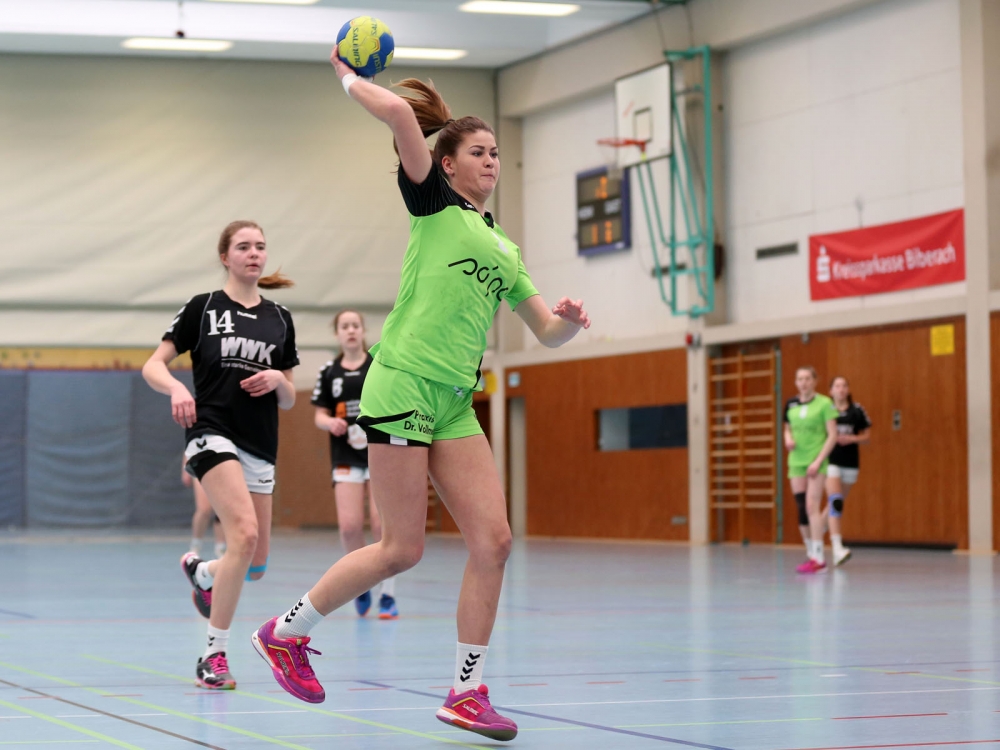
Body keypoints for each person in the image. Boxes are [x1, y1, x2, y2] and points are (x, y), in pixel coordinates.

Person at [251, 54, 590, 742]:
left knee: (494, 541)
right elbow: (402, 114)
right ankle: (284, 633)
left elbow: (544, 331)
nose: (491, 161)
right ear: (448, 163)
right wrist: (348, 76)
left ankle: (466, 692)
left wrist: (568, 324)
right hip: (403, 383)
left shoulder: (503, 247)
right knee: (401, 548)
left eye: (496, 152)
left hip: (455, 401)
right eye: (478, 152)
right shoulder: (433, 203)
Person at [142, 220, 299, 690]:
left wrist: (279, 380)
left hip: (260, 442)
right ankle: (213, 656)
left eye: (260, 247)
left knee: (255, 563)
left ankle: (203, 573)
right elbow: (153, 365)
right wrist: (175, 389)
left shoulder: (280, 317)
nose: (254, 253)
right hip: (211, 431)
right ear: (225, 257)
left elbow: (290, 398)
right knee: (243, 535)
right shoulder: (204, 307)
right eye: (244, 246)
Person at [311, 309, 398, 619]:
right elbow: (319, 414)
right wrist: (329, 423)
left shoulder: (378, 364)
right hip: (345, 456)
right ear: (337, 333)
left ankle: (388, 594)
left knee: (381, 524)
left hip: (379, 453)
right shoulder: (329, 372)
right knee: (349, 527)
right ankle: (361, 585)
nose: (350, 330)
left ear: (363, 331)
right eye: (344, 326)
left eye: (355, 325)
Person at [783, 366, 838, 574]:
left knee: (811, 505)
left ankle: (819, 558)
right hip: (796, 461)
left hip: (816, 460)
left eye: (807, 378)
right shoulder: (791, 404)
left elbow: (832, 435)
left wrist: (818, 461)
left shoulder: (825, 403)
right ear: (796, 382)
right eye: (800, 379)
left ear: (815, 381)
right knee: (801, 507)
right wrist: (788, 439)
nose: (803, 382)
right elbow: (787, 428)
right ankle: (811, 551)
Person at [824, 376, 871, 566]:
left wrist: (851, 439)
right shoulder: (826, 410)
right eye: (837, 386)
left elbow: (867, 436)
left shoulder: (857, 411)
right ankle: (837, 548)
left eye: (844, 386)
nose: (841, 389)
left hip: (850, 463)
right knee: (835, 500)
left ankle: (816, 531)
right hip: (830, 461)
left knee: (835, 505)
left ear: (848, 390)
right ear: (831, 391)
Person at [183, 456, 226, 559]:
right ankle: (195, 546)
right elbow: (187, 447)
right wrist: (185, 468)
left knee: (222, 510)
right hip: (201, 462)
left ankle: (221, 548)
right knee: (204, 509)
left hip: (224, 464)